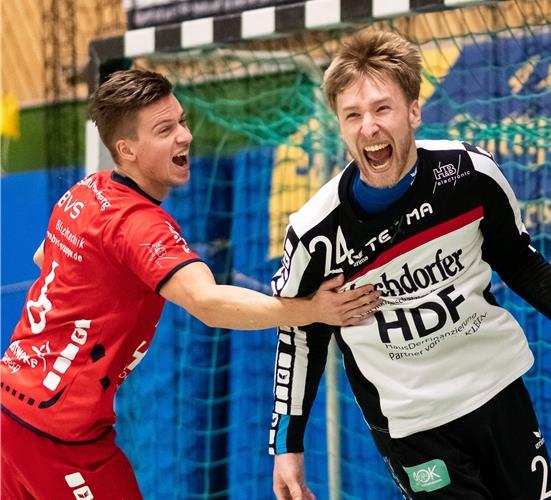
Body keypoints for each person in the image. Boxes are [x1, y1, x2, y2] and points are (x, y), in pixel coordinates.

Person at [268, 30, 551, 499]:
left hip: (496, 390)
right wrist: (287, 445)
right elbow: (300, 332)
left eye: (382, 108)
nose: (368, 126)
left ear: (413, 111)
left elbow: (517, 258)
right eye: (353, 115)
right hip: (412, 424)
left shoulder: (468, 174)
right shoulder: (316, 231)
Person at [0, 69, 381, 500]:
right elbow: (208, 301)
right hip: (58, 433)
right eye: (165, 130)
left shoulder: (85, 191)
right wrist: (311, 310)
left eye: (181, 121)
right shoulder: (139, 225)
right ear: (126, 149)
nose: (184, 136)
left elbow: (43, 257)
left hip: (10, 410)